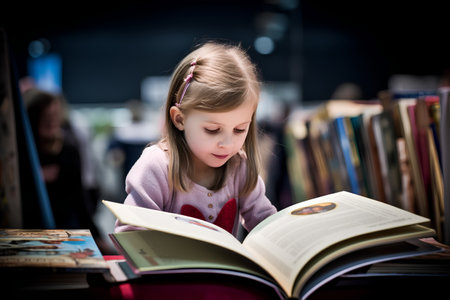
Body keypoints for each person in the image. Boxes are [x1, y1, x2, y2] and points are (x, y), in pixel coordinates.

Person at [115, 42, 277, 237]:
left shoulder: (239, 167)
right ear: (179, 119)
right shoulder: (155, 167)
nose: (227, 143)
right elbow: (131, 233)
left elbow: (265, 222)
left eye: (239, 129)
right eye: (212, 129)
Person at [23, 89, 103, 242]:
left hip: (64, 227)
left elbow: (79, 197)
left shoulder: (69, 148)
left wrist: (96, 235)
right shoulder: (22, 151)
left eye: (55, 116)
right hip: (29, 227)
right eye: (46, 117)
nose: (52, 122)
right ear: (34, 118)